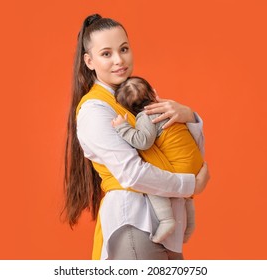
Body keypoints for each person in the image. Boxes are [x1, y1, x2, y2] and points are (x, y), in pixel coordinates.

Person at [64, 14, 210, 260]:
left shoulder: (136, 95)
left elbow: (179, 148)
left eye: (124, 49)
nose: (119, 60)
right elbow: (133, 174)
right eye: (106, 54)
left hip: (165, 225)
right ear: (89, 61)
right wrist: (190, 185)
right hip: (135, 223)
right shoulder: (95, 110)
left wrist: (188, 116)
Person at [111, 76, 204, 244]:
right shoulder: (167, 108)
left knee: (151, 183)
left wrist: (122, 127)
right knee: (187, 196)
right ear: (154, 93)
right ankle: (190, 226)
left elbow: (143, 141)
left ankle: (166, 219)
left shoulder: (146, 116)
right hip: (195, 162)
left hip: (181, 167)